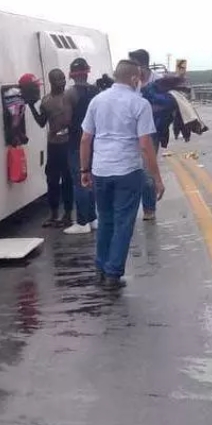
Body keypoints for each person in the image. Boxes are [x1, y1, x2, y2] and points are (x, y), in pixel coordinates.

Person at [79, 59, 165, 289]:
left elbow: (86, 138)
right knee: (123, 223)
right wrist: (156, 179)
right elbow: (145, 144)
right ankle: (113, 274)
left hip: (100, 170)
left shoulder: (97, 101)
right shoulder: (139, 104)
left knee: (105, 219)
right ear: (135, 79)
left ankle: (101, 268)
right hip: (127, 171)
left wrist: (84, 169)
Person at [28, 69, 74, 227]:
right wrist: (31, 106)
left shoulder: (69, 97)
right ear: (51, 81)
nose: (62, 81)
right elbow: (42, 122)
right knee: (52, 180)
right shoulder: (46, 100)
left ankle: (67, 214)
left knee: (68, 179)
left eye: (63, 78)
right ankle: (53, 214)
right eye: (58, 79)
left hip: (68, 143)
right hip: (53, 145)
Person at [128, 49, 167, 221]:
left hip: (151, 130)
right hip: (130, 131)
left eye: (133, 63)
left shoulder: (158, 81)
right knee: (131, 168)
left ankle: (149, 207)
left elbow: (166, 105)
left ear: (141, 64)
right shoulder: (130, 81)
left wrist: (148, 108)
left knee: (146, 168)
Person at [63, 58, 99, 235]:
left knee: (79, 182)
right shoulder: (96, 91)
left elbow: (67, 120)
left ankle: (82, 222)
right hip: (94, 141)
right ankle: (92, 219)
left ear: (71, 75)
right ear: (87, 72)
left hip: (76, 141)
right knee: (90, 180)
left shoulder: (69, 94)